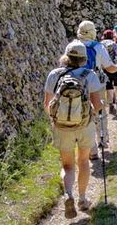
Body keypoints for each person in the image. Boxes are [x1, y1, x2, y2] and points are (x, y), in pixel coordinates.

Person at [43, 40, 103, 218]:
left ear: (66, 56)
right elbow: (97, 105)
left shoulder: (54, 75)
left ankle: (68, 194)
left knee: (67, 165)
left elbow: (47, 104)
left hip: (62, 127)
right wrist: (94, 111)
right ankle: (83, 199)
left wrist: (57, 119)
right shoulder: (89, 74)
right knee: (83, 161)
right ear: (84, 58)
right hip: (84, 125)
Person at [76, 20, 117, 159]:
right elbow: (109, 67)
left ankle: (91, 149)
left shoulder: (73, 46)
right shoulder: (98, 47)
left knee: (84, 115)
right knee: (99, 111)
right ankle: (102, 139)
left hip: (78, 84)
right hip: (96, 83)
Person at [101, 29, 117, 114]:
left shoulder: (100, 46)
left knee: (108, 86)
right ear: (112, 36)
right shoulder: (116, 46)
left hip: (105, 68)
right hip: (115, 68)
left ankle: (111, 105)